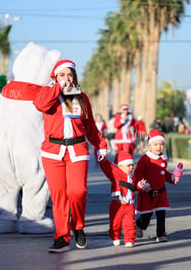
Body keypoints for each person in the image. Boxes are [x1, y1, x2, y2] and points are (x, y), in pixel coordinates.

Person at [33, 60, 108, 253]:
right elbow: (39, 104)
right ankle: (62, 236)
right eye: (62, 75)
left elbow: (90, 125)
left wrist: (100, 144)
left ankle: (79, 226)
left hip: (77, 150)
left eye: (70, 75)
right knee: (59, 196)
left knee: (78, 191)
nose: (67, 78)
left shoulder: (81, 97)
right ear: (55, 77)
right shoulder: (47, 94)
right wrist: (58, 88)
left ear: (74, 77)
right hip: (52, 151)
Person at [134, 129, 183, 242]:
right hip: (148, 192)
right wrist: (143, 184)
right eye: (155, 144)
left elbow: (163, 173)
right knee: (147, 215)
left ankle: (161, 234)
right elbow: (138, 173)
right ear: (149, 146)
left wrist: (172, 177)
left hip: (161, 193)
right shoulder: (145, 159)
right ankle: (139, 226)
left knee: (161, 214)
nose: (158, 147)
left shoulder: (162, 160)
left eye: (161, 144)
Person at [98, 151, 139, 247]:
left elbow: (136, 187)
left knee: (130, 223)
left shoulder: (132, 177)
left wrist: (141, 185)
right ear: (120, 166)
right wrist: (103, 160)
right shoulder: (116, 173)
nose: (131, 167)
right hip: (117, 205)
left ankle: (129, 239)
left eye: (132, 165)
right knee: (115, 224)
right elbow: (108, 167)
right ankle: (115, 236)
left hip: (129, 205)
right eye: (129, 165)